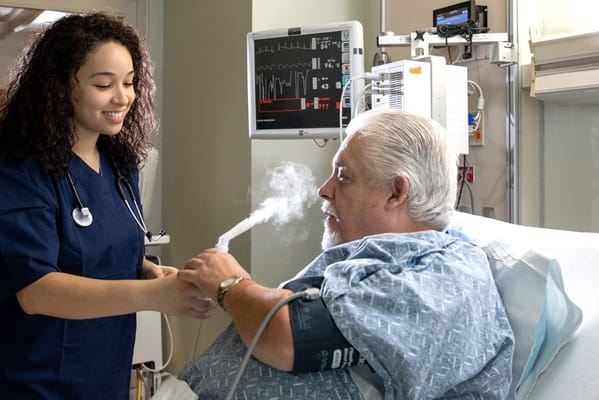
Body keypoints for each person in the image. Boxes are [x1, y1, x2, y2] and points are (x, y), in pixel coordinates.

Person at [178, 109, 515, 399]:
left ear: (395, 192)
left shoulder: (445, 275)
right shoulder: (386, 261)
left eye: (343, 176)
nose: (324, 190)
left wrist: (229, 284)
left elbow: (287, 338)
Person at [0, 12, 214, 399]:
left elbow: (105, 247)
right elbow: (36, 291)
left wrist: (149, 271)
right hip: (36, 379)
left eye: (130, 83)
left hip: (107, 372)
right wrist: (154, 296)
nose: (123, 98)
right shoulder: (21, 171)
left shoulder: (120, 165)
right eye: (104, 84)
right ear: (62, 85)